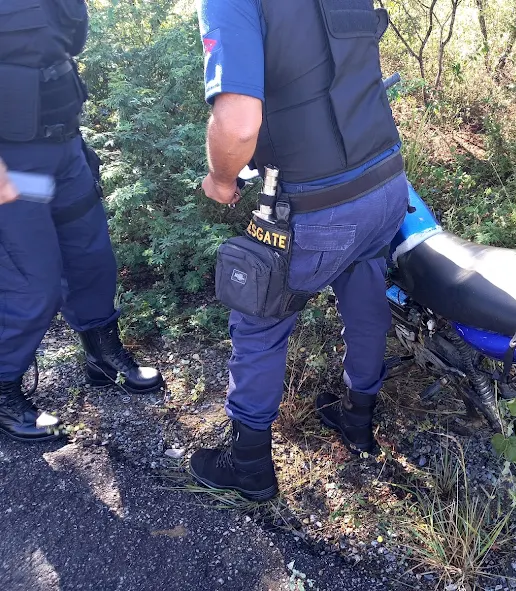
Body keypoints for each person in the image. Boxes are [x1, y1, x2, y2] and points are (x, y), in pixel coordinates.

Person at [190, 0, 409, 500]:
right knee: (365, 290)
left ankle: (248, 466)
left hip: (318, 203)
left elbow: (240, 124)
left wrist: (222, 180)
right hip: (387, 181)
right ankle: (357, 421)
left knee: (259, 318)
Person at [0, 0, 164, 443]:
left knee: (92, 259)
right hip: (9, 165)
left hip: (64, 148)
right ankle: (3, 387)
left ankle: (100, 354)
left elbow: (59, 51)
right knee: (31, 281)